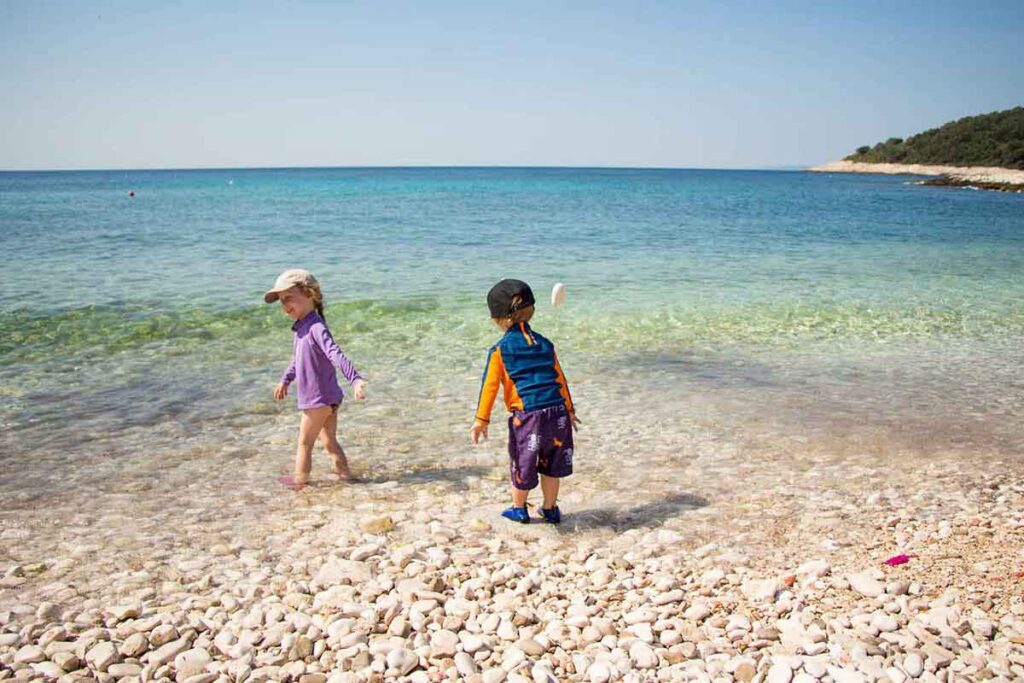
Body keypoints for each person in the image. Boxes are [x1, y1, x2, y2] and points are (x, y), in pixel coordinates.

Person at [471, 279, 579, 523]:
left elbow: (489, 387)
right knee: (551, 463)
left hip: (529, 416)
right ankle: (550, 508)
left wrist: (481, 419)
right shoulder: (545, 343)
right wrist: (569, 410)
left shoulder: (500, 350)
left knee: (524, 461)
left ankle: (519, 509)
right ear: (531, 310)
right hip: (558, 412)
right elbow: (560, 379)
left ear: (498, 318)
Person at [265, 269, 367, 489]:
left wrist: (355, 379)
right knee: (329, 443)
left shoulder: (316, 327)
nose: (284, 305)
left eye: (289, 297)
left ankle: (300, 482)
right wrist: (285, 380)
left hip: (317, 400)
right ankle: (347, 477)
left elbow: (335, 354)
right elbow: (296, 359)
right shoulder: (303, 327)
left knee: (304, 443)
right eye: (281, 301)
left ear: (310, 294)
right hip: (329, 398)